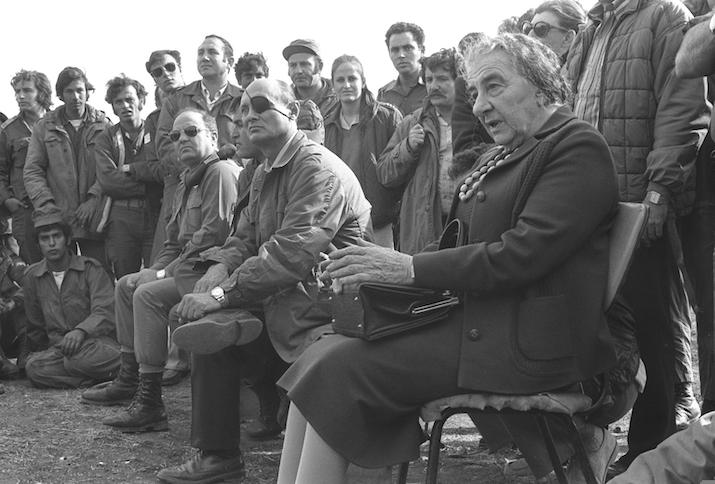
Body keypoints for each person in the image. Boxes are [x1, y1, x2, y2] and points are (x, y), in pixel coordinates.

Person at [276, 33, 621, 484]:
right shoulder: (512, 151)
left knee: (341, 369)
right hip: (486, 321)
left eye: (494, 87)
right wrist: (378, 266)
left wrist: (407, 268)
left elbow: (518, 257)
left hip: (531, 342)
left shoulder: (575, 147)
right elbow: (463, 243)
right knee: (325, 352)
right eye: (474, 92)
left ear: (542, 85)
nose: (478, 106)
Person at [154, 78, 371, 483]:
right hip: (287, 303)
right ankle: (218, 456)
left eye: (260, 106)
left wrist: (221, 294)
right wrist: (217, 273)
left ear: (290, 112)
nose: (247, 116)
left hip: (332, 313)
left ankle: (271, 413)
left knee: (214, 315)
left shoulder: (317, 169)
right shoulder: (260, 170)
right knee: (208, 328)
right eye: (242, 110)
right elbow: (244, 238)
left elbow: (291, 254)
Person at [563, 0, 709, 476]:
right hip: (595, 204)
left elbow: (682, 104)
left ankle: (657, 443)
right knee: (616, 323)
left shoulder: (666, 14)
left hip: (641, 202)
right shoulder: (595, 26)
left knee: (657, 331)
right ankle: (617, 440)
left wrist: (660, 188)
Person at [81, 109, 240, 433]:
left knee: (147, 294)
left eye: (191, 132)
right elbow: (172, 240)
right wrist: (154, 269)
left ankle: (150, 401)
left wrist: (160, 275)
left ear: (212, 136)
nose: (181, 139)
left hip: (211, 274)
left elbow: (213, 238)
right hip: (186, 269)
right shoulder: (187, 179)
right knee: (128, 284)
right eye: (174, 136)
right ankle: (131, 381)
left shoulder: (220, 173)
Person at [23, 67, 112, 271]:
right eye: (69, 92)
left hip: (94, 218)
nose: (76, 97)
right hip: (58, 218)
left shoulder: (103, 125)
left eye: (80, 90)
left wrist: (93, 200)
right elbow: (32, 170)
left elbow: (109, 170)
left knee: (100, 272)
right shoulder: (44, 126)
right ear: (60, 95)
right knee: (63, 278)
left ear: (88, 91)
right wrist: (46, 205)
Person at [377, 48, 461, 254]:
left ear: (460, 81)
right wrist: (408, 147)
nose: (434, 86)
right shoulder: (413, 122)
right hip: (425, 231)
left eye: (442, 79)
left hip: (466, 227)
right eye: (429, 79)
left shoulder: (479, 120)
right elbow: (384, 174)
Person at [23, 208, 119, 389]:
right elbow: (35, 324)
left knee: (82, 360)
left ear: (67, 239)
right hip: (61, 350)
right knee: (34, 368)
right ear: (38, 244)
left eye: (56, 236)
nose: (51, 243)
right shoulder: (32, 276)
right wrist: (41, 352)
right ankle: (92, 380)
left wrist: (81, 331)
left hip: (95, 344)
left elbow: (105, 310)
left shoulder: (90, 268)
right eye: (45, 238)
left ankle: (114, 370)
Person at [324, 55, 403, 248]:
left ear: (363, 81)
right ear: (333, 85)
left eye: (352, 78)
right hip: (342, 225)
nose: (347, 85)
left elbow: (401, 167)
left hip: (381, 223)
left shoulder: (387, 118)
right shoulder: (326, 124)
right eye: (340, 80)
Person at [94, 75, 161, 279]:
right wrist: (149, 183)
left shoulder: (157, 132)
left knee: (155, 273)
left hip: (155, 212)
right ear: (113, 107)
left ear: (141, 101)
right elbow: (109, 181)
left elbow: (163, 171)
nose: (124, 106)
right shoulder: (106, 138)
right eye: (118, 102)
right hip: (122, 215)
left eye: (129, 99)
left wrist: (131, 169)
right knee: (124, 276)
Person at [0, 70, 52, 264]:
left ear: (42, 93)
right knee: (33, 269)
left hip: (56, 204)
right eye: (17, 91)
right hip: (25, 209)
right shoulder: (8, 130)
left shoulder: (55, 123)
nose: (20, 96)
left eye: (27, 90)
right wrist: (7, 200)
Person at [377, 22, 428, 116]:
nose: (401, 55)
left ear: (422, 50)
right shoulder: (384, 94)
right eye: (395, 50)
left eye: (408, 48)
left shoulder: (433, 87)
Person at [282, 39, 337, 117]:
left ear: (319, 67)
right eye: (293, 65)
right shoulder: (283, 103)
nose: (299, 71)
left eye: (305, 64)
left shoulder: (340, 99)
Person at [0, 235, 29, 379]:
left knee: (23, 304)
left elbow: (31, 281)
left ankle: (25, 354)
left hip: (6, 322)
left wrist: (14, 301)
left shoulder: (6, 257)